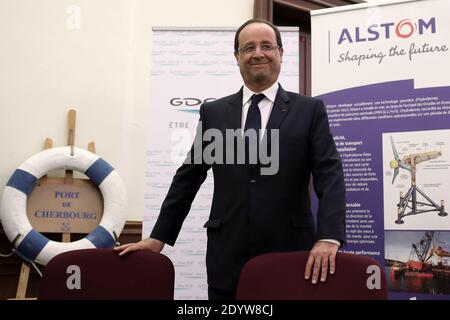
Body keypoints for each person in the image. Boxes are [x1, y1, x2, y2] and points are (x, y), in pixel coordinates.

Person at [115, 18, 346, 300]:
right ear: (237, 57)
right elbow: (188, 178)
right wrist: (158, 237)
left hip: (291, 254)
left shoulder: (310, 110)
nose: (258, 53)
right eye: (248, 47)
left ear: (281, 53)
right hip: (228, 259)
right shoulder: (214, 113)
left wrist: (329, 236)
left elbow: (329, 174)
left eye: (266, 46)